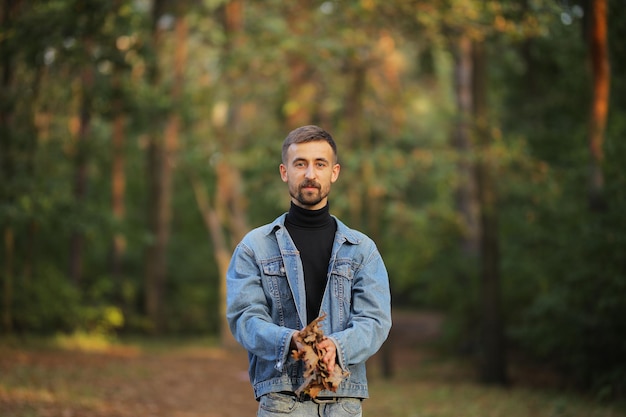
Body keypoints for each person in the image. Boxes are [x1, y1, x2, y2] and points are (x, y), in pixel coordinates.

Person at [226, 125, 392, 417]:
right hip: (281, 402)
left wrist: (337, 347)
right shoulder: (254, 247)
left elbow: (375, 320)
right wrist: (291, 340)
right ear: (284, 171)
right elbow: (244, 318)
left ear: (335, 172)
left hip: (343, 402)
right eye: (300, 164)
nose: (310, 174)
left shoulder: (362, 249)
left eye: (320, 164)